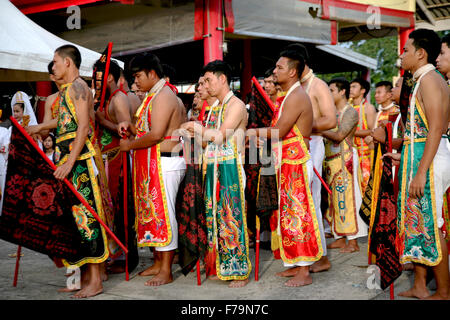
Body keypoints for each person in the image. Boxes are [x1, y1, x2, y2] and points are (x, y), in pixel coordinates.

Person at [247, 47, 322, 287]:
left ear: (292, 71)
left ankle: (304, 271)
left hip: (296, 163)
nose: (275, 71)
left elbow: (279, 131)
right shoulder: (289, 94)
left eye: (279, 67)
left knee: (299, 216)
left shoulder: (298, 95)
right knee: (288, 216)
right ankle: (295, 265)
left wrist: (252, 131)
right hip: (288, 162)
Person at [384, 29, 450, 300]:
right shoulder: (423, 79)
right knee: (418, 224)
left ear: (421, 53)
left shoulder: (430, 81)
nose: (402, 55)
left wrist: (421, 170)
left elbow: (436, 129)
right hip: (420, 157)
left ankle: (444, 291)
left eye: (406, 50)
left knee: (431, 225)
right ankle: (421, 285)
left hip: (430, 162)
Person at [118, 52, 186, 286]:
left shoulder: (164, 95)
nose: (135, 82)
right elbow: (146, 130)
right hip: (156, 162)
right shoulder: (153, 95)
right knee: (154, 213)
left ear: (152, 73)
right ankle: (158, 262)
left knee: (163, 215)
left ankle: (166, 269)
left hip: (165, 160)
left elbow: (156, 134)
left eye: (138, 76)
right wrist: (130, 127)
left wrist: (129, 145)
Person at [181, 60, 251, 288]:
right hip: (212, 166)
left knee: (232, 217)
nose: (206, 85)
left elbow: (221, 136)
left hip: (229, 166)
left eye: (209, 80)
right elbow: (206, 142)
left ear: (222, 79)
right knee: (213, 219)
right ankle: (220, 264)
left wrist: (199, 130)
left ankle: (238, 270)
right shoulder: (216, 107)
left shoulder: (236, 104)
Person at [51, 44, 109, 298]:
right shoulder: (67, 91)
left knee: (89, 220)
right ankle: (86, 277)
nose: (52, 68)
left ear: (67, 62)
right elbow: (65, 122)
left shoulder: (78, 87)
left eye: (55, 62)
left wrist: (69, 162)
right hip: (70, 160)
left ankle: (95, 280)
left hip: (81, 161)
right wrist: (38, 127)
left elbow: (84, 127)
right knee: (76, 221)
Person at [287, 43, 336, 273]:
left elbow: (331, 120)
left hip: (312, 145)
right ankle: (299, 258)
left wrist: (300, 124)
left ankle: (321, 257)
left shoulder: (318, 86)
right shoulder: (293, 88)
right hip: (291, 148)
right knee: (294, 204)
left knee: (310, 202)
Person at [94, 60, 138, 274]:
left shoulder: (119, 98)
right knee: (109, 208)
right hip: (106, 161)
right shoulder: (107, 98)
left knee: (119, 208)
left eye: (98, 76)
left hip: (117, 159)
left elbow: (126, 131)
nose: (94, 79)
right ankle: (115, 254)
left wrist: (103, 122)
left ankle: (124, 257)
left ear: (109, 77)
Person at [322, 78, 368, 253]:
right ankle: (340, 238)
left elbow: (340, 135)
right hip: (331, 161)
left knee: (350, 201)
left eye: (331, 90)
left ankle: (353, 242)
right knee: (335, 203)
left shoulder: (350, 112)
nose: (328, 94)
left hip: (345, 159)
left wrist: (315, 128)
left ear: (342, 92)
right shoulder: (331, 112)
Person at [350, 78, 377, 195]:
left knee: (366, 186)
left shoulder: (368, 108)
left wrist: (349, 132)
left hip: (365, 155)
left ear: (363, 91)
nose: (350, 89)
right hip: (350, 153)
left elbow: (373, 131)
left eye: (354, 86)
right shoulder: (348, 107)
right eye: (350, 87)